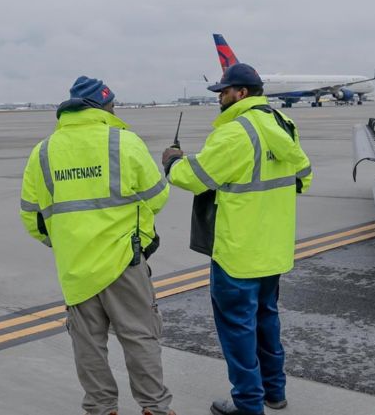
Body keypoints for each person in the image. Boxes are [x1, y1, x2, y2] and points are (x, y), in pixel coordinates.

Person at [162, 63, 312, 415]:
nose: (219, 97)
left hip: (237, 252)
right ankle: (274, 392)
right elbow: (303, 176)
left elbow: (195, 178)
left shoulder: (234, 132)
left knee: (237, 329)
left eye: (223, 91)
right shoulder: (283, 125)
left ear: (241, 93)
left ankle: (247, 404)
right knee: (266, 318)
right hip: (272, 248)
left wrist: (172, 162)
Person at [20, 76, 175, 415]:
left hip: (76, 267)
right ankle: (154, 408)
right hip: (124, 261)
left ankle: (102, 408)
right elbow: (158, 196)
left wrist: (64, 242)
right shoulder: (123, 142)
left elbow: (32, 217)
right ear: (103, 107)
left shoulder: (43, 151)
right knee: (139, 337)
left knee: (88, 344)